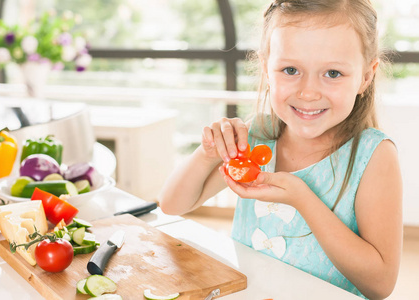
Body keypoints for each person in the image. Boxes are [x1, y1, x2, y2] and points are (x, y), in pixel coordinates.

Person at [158, 0, 403, 299]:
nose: (308, 92)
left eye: (333, 74)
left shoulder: (374, 155)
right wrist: (207, 153)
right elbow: (172, 204)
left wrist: (303, 198)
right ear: (266, 68)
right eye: (290, 69)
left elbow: (380, 284)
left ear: (366, 76)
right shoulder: (261, 135)